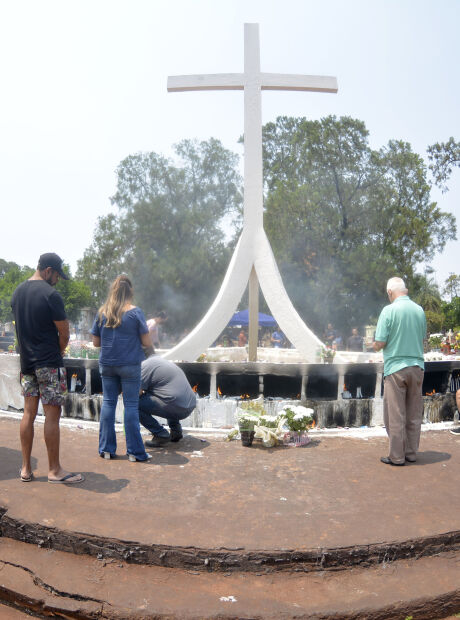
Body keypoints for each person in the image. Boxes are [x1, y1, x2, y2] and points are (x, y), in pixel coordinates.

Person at [11, 252, 84, 484]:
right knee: (53, 415)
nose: (58, 280)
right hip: (48, 364)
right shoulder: (51, 295)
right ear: (48, 270)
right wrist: (59, 352)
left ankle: (25, 469)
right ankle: (54, 471)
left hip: (27, 364)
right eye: (57, 275)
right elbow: (64, 333)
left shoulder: (17, 293)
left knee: (28, 413)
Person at [91, 275, 152, 462]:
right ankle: (134, 452)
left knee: (109, 403)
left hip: (108, 365)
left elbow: (95, 343)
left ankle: (107, 450)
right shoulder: (136, 313)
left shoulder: (103, 312)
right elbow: (147, 342)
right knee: (131, 406)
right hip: (130, 365)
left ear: (113, 290)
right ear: (130, 292)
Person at [373, 277, 426, 466]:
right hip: (417, 367)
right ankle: (411, 453)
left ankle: (397, 456)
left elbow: (380, 343)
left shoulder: (388, 311)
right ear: (406, 290)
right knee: (413, 413)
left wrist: (372, 345)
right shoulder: (419, 310)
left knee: (395, 414)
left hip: (395, 368)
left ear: (390, 292)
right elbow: (422, 338)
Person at [138, 355, 197, 446]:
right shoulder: (159, 361)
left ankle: (160, 434)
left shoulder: (143, 367)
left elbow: (135, 394)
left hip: (176, 407)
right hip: (189, 404)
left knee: (134, 404)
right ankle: (176, 432)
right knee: (165, 394)